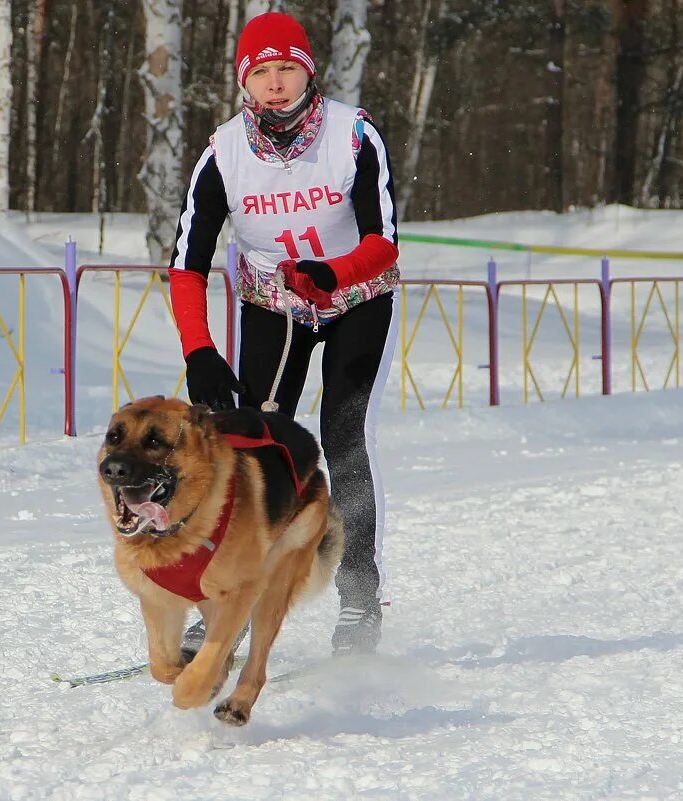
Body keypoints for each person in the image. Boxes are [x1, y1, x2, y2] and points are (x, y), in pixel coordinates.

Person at [168, 11, 400, 657]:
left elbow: (383, 241)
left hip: (355, 297)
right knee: (253, 446)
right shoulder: (222, 151)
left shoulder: (352, 133)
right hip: (272, 305)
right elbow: (186, 264)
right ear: (245, 81)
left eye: (286, 69)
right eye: (261, 72)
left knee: (341, 434)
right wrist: (199, 351)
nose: (274, 84)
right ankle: (227, 601)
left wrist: (334, 271)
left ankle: (357, 595)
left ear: (308, 71)